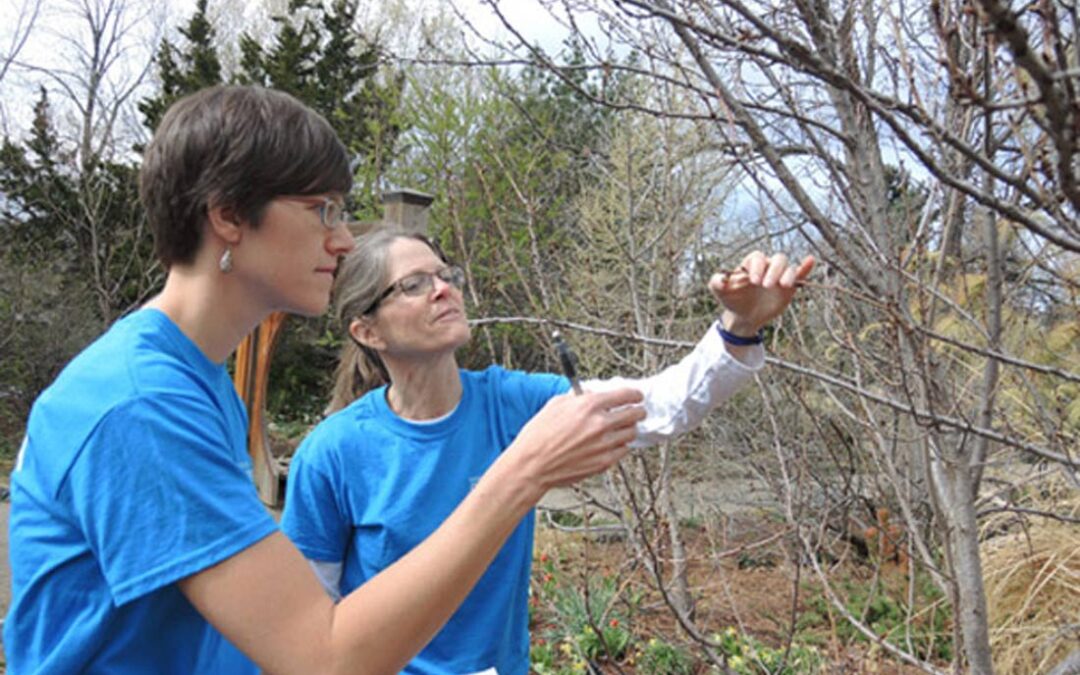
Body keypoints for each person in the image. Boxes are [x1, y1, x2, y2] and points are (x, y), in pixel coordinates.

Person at [3, 85, 647, 674]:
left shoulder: (189, 379)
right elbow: (323, 659)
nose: (342, 240)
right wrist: (522, 474)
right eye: (321, 210)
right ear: (228, 215)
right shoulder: (140, 405)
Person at [281, 227, 814, 675]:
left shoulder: (514, 403)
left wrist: (741, 326)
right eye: (415, 284)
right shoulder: (332, 452)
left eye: (447, 275)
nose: (443, 290)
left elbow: (660, 406)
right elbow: (311, 619)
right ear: (366, 330)